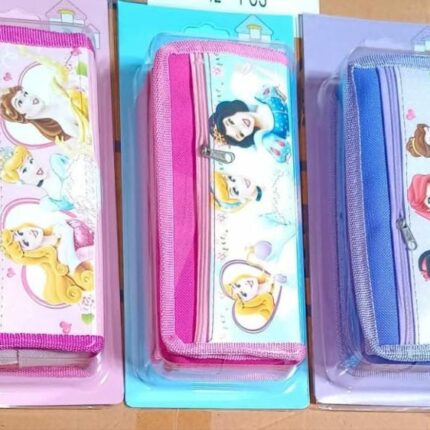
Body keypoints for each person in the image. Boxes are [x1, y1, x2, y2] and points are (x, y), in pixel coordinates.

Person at [0, 47, 90, 149]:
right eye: (20, 102)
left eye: (25, 94)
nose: (28, 98)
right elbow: (92, 137)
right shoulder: (66, 126)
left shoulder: (55, 91)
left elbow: (60, 70)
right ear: (26, 116)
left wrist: (31, 54)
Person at [1, 220, 94, 305]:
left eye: (20, 233)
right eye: (25, 242)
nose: (28, 234)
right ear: (30, 253)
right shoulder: (63, 257)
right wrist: (66, 229)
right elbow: (69, 232)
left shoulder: (55, 229)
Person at [209, 86, 290, 163]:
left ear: (231, 110)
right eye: (240, 134)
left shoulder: (260, 98)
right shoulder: (267, 141)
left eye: (231, 122)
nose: (242, 126)